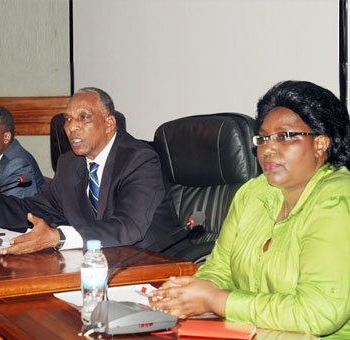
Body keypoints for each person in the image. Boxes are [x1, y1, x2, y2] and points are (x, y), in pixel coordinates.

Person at [149, 80, 350, 339]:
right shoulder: (252, 194)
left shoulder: (337, 200)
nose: (268, 148)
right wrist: (189, 293)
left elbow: (318, 313)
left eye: (285, 136)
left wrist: (216, 300)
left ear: (320, 144)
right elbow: (220, 268)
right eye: (263, 138)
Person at [0, 88, 184, 255]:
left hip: (151, 264)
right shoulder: (70, 164)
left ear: (109, 123)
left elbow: (128, 227)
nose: (72, 128)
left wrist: (58, 237)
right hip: (97, 263)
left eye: (83, 118)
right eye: (67, 119)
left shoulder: (139, 160)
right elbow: (33, 210)